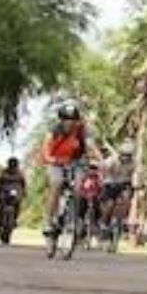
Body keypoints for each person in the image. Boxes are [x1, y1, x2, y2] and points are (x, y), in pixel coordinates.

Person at [36, 99, 100, 234]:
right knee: (57, 182)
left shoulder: (82, 130)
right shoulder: (54, 130)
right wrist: (49, 158)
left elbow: (91, 145)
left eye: (72, 119)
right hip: (56, 162)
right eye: (66, 119)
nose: (69, 122)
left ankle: (76, 219)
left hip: (76, 162)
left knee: (79, 188)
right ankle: (49, 220)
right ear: (61, 119)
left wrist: (101, 160)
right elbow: (46, 147)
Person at [0, 157, 27, 243]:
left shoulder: (20, 174)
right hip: (4, 194)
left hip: (15, 194)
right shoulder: (3, 173)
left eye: (14, 165)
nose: (12, 167)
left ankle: (14, 220)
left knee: (17, 206)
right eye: (11, 165)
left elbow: (23, 185)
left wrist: (23, 193)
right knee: (0, 208)